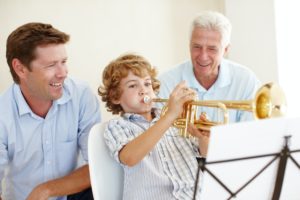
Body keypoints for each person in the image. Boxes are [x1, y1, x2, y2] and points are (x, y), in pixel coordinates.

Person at [0, 23, 101, 200]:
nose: (63, 73)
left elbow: (99, 164)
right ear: (20, 68)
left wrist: (46, 190)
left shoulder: (82, 94)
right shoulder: (3, 112)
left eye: (64, 62)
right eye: (51, 65)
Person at [98, 53, 209, 200]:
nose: (143, 90)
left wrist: (203, 138)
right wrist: (169, 116)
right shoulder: (117, 126)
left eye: (147, 83)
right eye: (132, 85)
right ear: (115, 97)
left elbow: (205, 155)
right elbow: (130, 158)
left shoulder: (177, 121)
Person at [159, 11, 261, 123]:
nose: (203, 57)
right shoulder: (166, 82)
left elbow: (250, 134)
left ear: (226, 49)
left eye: (212, 49)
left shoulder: (246, 81)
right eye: (197, 47)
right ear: (189, 46)